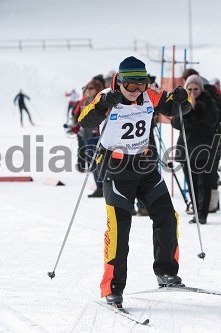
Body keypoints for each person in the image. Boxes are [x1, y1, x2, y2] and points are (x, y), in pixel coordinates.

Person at [78, 56, 191, 305]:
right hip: (116, 170)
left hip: (146, 167)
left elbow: (176, 109)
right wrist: (100, 106)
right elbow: (84, 120)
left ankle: (166, 272)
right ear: (120, 82)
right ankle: (112, 287)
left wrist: (183, 100)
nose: (136, 90)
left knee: (167, 217)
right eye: (131, 85)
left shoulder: (150, 95)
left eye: (142, 84)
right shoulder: (108, 96)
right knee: (119, 230)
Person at [171, 74, 219, 225]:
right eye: (190, 89)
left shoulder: (208, 101)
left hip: (204, 149)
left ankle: (202, 213)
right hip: (186, 149)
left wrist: (196, 109)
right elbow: (176, 123)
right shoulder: (182, 101)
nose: (192, 92)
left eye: (195, 89)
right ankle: (196, 210)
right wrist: (187, 111)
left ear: (201, 89)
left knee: (204, 183)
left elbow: (211, 121)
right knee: (191, 183)